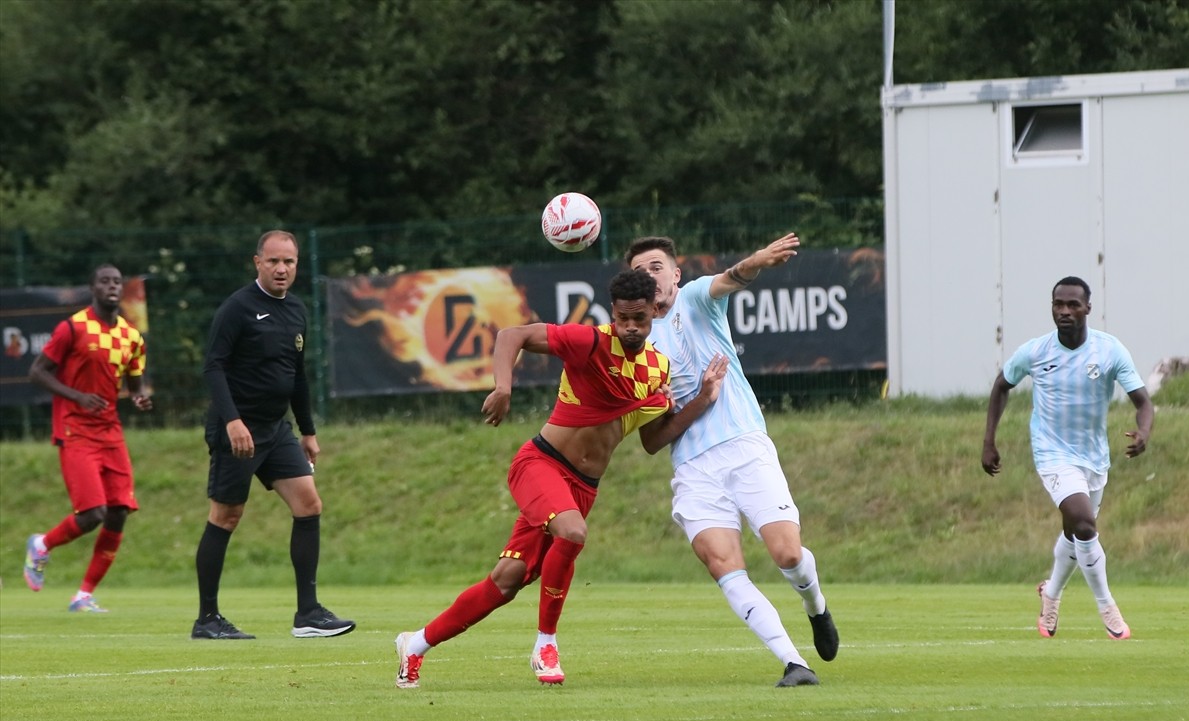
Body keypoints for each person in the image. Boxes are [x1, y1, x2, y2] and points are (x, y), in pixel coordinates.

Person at [395, 269, 728, 688]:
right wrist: (503, 387)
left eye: (639, 319)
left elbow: (653, 441)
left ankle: (415, 645)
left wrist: (703, 398)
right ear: (612, 313)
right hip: (542, 464)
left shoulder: (657, 370)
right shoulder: (589, 342)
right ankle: (546, 645)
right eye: (623, 318)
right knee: (572, 532)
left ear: (654, 315)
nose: (630, 326)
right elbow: (512, 335)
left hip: (582, 488)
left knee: (506, 580)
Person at [627, 233, 839, 688]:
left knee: (787, 554)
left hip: (744, 446)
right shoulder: (637, 350)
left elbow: (731, 277)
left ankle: (815, 605)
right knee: (723, 565)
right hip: (693, 469)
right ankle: (794, 663)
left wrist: (757, 260)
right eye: (640, 271)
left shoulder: (695, 299)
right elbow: (651, 441)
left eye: (657, 267)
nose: (650, 276)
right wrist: (701, 399)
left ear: (675, 274)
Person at [192, 230, 355, 640]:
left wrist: (308, 430)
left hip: (276, 429)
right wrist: (232, 421)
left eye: (289, 262)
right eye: (274, 261)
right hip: (238, 430)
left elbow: (296, 376)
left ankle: (308, 614)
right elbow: (213, 367)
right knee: (226, 516)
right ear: (258, 263)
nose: (282, 269)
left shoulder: (296, 309)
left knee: (309, 504)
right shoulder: (237, 308)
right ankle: (207, 619)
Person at [982, 276, 1153, 640]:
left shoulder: (1109, 351)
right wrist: (989, 441)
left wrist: (1144, 432)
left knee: (1074, 532)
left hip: (1094, 458)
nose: (1064, 311)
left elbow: (1143, 402)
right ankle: (1108, 608)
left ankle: (1051, 593)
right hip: (1052, 453)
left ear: (1088, 308)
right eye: (1058, 304)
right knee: (1085, 524)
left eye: (1073, 305)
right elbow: (1001, 386)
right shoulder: (1035, 351)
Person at [23, 264, 152, 612]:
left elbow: (135, 383)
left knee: (119, 512)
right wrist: (77, 396)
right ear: (92, 288)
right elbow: (37, 372)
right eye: (104, 281)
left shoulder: (131, 337)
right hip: (75, 429)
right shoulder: (73, 327)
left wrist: (139, 398)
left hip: (110, 431)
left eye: (117, 282)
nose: (112, 286)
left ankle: (83, 595)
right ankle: (42, 545)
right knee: (93, 513)